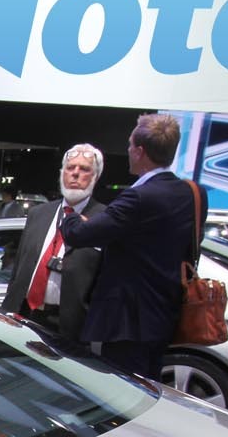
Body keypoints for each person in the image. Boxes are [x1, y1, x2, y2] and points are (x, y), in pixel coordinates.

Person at [61, 113, 205, 380]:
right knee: (148, 388)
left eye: (129, 145)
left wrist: (71, 212)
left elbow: (78, 235)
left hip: (127, 323)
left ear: (139, 152)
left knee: (122, 392)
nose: (127, 151)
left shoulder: (138, 197)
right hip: (164, 317)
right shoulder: (193, 193)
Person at [1, 144, 106, 350]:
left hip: (70, 327)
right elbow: (18, 268)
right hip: (25, 316)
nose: (75, 173)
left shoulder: (104, 219)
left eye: (84, 169)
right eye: (70, 167)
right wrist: (8, 310)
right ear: (61, 173)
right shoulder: (39, 213)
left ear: (95, 177)